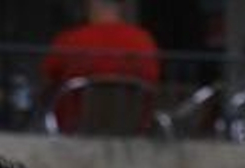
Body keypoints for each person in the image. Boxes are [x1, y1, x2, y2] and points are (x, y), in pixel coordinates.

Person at [41, 0, 161, 134]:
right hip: (131, 134)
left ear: (90, 4)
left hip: (75, 133)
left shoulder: (68, 40)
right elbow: (153, 85)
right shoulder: (145, 41)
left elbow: (47, 86)